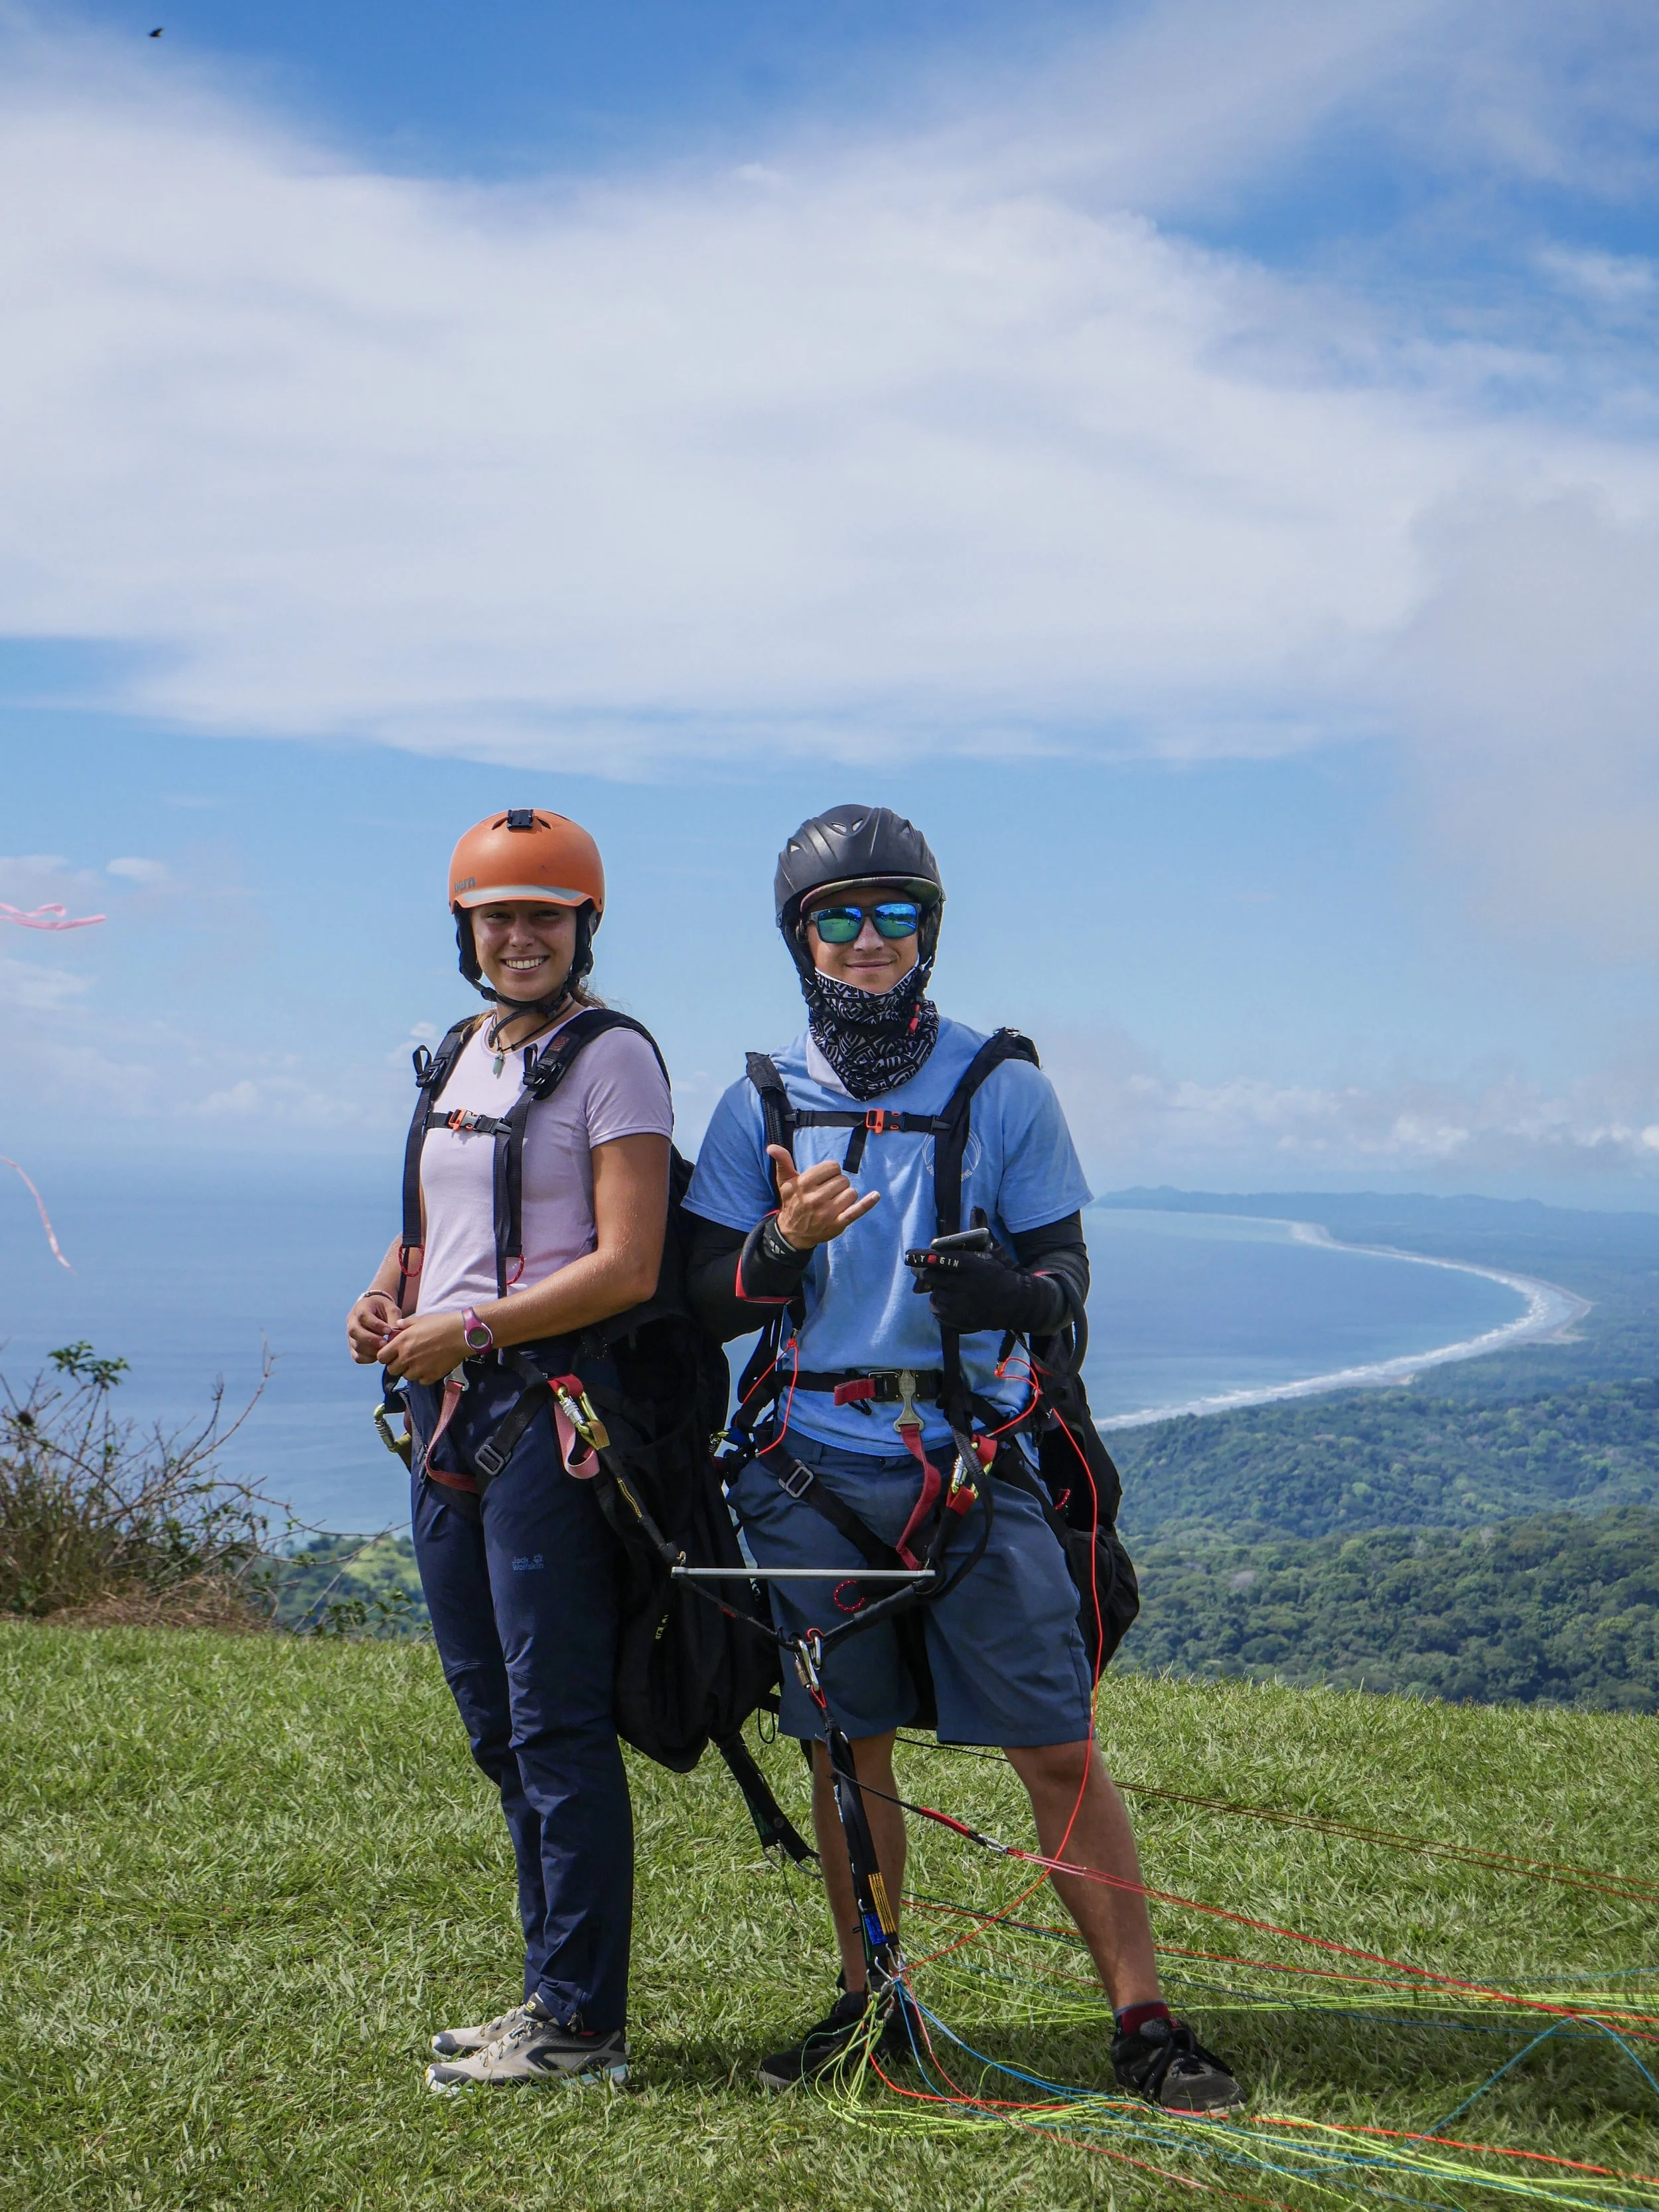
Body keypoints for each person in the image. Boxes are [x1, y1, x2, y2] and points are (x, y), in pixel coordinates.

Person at [684, 802, 1242, 2109]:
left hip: (967, 1456)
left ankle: (1144, 2021)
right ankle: (871, 2001)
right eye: (839, 918)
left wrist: (1016, 1294)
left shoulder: (1002, 1086)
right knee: (843, 1744)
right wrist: (776, 1249)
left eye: (894, 915)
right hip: (808, 1459)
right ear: (800, 941)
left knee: (1053, 1744)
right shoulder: (758, 1100)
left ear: (927, 931)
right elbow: (701, 1298)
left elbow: (1067, 1279)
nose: (867, 940)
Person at [346, 807, 674, 2095]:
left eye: (544, 914)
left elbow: (626, 1263)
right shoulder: (459, 1054)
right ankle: (550, 1996)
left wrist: (465, 1326)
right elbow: (435, 1221)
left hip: (548, 1413)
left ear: (583, 926)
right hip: (447, 1410)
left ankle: (582, 2024)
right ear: (466, 932)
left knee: (553, 1720)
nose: (520, 936)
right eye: (499, 917)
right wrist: (386, 1295)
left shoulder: (615, 1060)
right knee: (493, 1719)